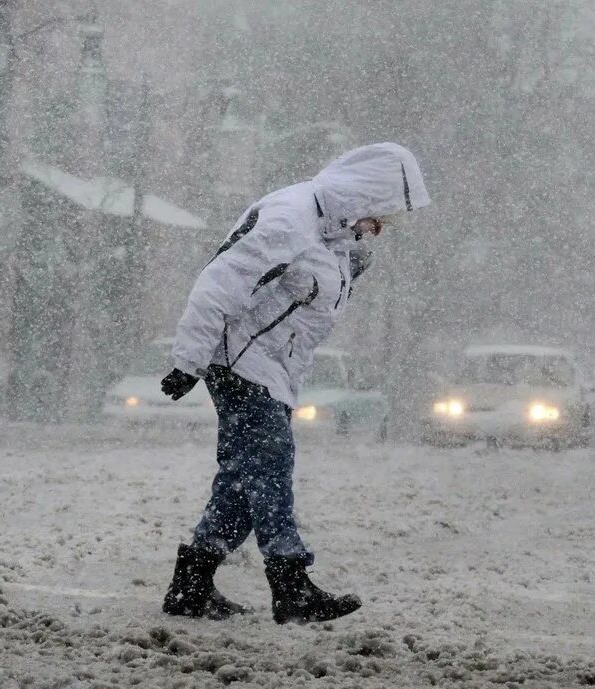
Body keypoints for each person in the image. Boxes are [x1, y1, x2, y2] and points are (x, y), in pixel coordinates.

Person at [159, 142, 430, 624]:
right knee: (270, 459)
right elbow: (219, 283)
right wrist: (188, 359)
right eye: (381, 214)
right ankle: (290, 584)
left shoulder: (333, 236)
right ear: (362, 196)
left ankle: (192, 586)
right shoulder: (290, 220)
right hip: (239, 359)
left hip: (273, 369)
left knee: (243, 479)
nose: (381, 228)